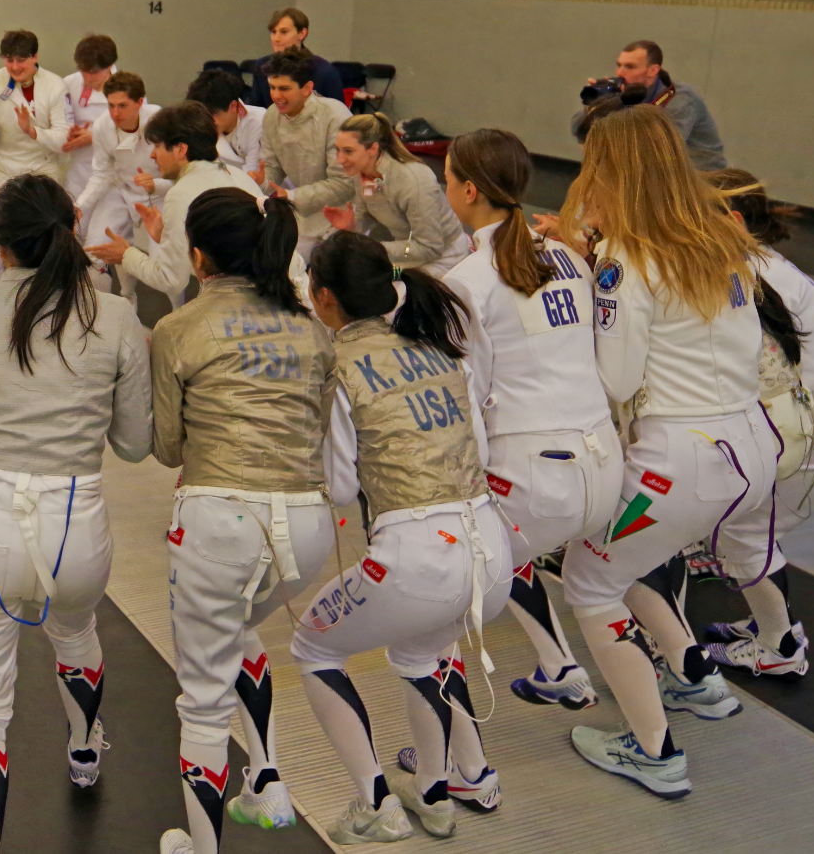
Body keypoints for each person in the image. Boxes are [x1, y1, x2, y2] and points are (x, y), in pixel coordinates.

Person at [559, 105, 771, 799]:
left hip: (679, 462)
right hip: (745, 449)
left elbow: (614, 379)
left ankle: (652, 748)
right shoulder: (718, 239)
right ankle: (691, 677)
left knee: (587, 581)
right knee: (633, 557)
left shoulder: (629, 254)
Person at [0, 175, 152, 854]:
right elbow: (133, 442)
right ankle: (85, 748)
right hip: (75, 523)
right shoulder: (113, 314)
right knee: (75, 629)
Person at [289, 230, 511, 845]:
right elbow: (481, 450)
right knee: (421, 656)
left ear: (322, 296)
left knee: (313, 647)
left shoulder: (340, 367)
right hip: (492, 555)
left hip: (417, 560)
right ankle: (435, 796)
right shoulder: (441, 347)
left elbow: (337, 489)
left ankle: (376, 804)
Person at [152, 191, 339, 854]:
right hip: (309, 526)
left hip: (221, 523)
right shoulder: (310, 326)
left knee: (200, 698)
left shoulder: (178, 327)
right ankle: (264, 781)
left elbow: (169, 448)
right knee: (240, 635)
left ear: (198, 256)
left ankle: (201, 848)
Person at [440, 129, 618, 720]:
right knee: (518, 552)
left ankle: (455, 761)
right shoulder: (567, 254)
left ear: (467, 190)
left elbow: (466, 395)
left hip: (538, 479)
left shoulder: (469, 280)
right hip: (605, 467)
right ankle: (562, 667)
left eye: (446, 177)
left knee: (452, 574)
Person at [696, 168, 814, 677]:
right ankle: (773, 625)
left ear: (732, 222)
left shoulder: (754, 276)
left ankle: (780, 649)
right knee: (743, 524)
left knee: (739, 529)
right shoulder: (753, 263)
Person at [84, 102, 269, 312]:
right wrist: (165, 234)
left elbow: (170, 280)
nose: (152, 155)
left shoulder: (182, 193)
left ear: (181, 149)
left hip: (244, 305)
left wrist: (126, 255)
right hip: (269, 294)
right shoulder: (239, 177)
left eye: (157, 146)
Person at [0, 30, 73, 279]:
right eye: (9, 60)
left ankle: (44, 282)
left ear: (35, 56)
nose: (14, 67)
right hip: (3, 160)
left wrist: (32, 131)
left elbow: (63, 139)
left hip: (43, 163)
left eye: (21, 60)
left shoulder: (55, 86)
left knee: (48, 226)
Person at [323, 113, 469, 277]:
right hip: (411, 254)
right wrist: (353, 225)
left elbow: (430, 247)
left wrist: (374, 249)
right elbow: (367, 212)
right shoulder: (363, 172)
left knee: (380, 288)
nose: (340, 159)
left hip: (444, 258)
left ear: (373, 149)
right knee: (356, 279)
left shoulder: (413, 180)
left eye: (348, 151)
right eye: (338, 150)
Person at [69, 71, 162, 300]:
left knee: (166, 265)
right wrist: (80, 206)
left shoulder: (159, 120)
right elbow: (101, 173)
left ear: (140, 102)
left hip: (158, 195)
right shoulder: (102, 126)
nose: (115, 113)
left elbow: (178, 167)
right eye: (111, 105)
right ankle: (106, 309)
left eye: (122, 105)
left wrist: (158, 184)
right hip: (120, 190)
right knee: (94, 250)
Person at [571, 40, 725, 171]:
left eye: (629, 67)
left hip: (702, 176)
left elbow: (661, 149)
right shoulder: (627, 92)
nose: (619, 73)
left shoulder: (679, 99)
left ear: (653, 70)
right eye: (619, 65)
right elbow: (577, 128)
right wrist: (599, 106)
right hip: (656, 175)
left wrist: (617, 108)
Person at [259, 48, 354, 259]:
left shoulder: (334, 115)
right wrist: (261, 181)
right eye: (272, 87)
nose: (276, 96)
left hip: (346, 212)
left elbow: (344, 183)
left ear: (307, 88)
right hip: (304, 210)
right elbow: (273, 166)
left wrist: (292, 196)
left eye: (284, 88)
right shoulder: (271, 116)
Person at [246, 8, 343, 108]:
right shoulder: (261, 65)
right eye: (273, 32)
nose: (276, 39)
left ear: (302, 33)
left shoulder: (324, 71)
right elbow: (256, 108)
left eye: (284, 32)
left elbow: (338, 115)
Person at [62, 34, 118, 203]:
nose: (87, 78)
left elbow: (134, 136)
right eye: (82, 71)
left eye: (93, 72)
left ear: (109, 66)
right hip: (77, 170)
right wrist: (67, 132)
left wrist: (94, 137)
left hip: (113, 176)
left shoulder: (129, 89)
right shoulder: (69, 83)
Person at [185, 70, 265, 183]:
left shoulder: (259, 122)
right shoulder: (202, 125)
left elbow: (252, 176)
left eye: (212, 115)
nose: (206, 122)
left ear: (233, 106)